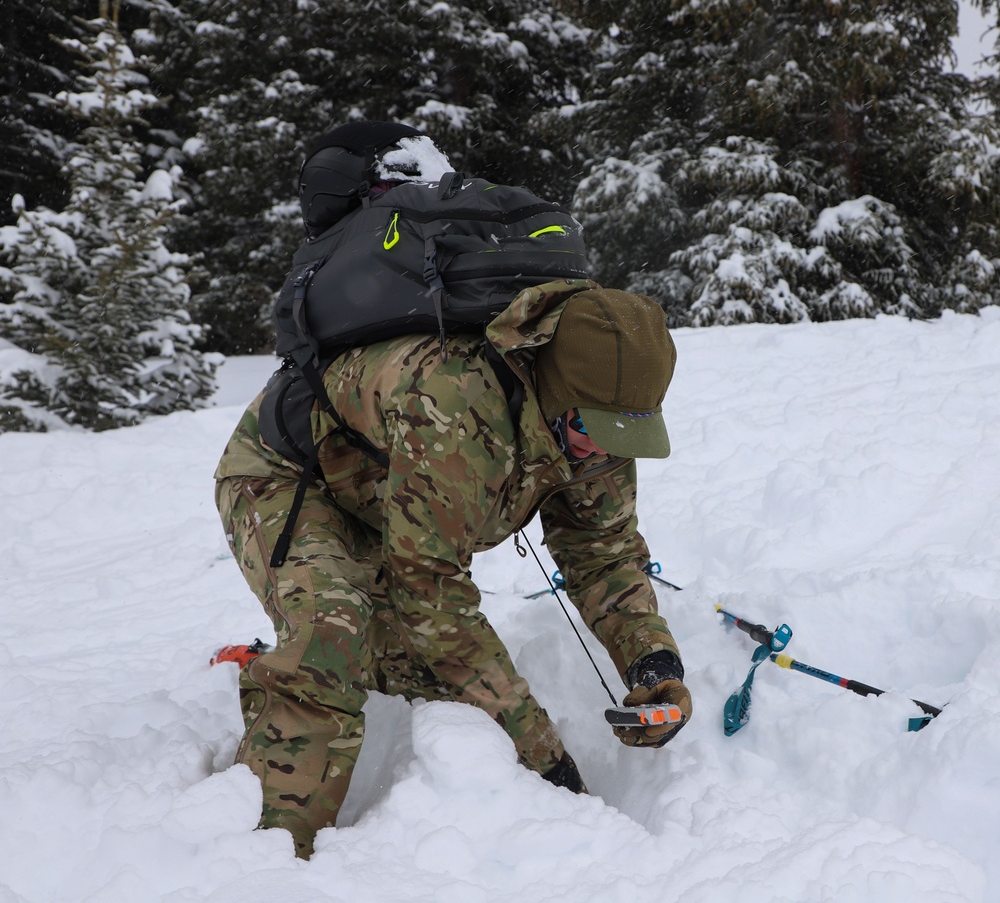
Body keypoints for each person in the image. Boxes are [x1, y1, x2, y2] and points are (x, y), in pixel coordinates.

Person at [214, 121, 692, 858]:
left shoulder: (596, 418)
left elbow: (603, 552)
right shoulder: (458, 405)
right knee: (331, 633)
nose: (605, 450)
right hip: (289, 479)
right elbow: (432, 588)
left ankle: (283, 669)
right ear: (551, 386)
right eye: (596, 429)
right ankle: (265, 856)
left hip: (388, 498)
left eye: (623, 432)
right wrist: (544, 754)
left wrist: (651, 662)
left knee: (426, 673)